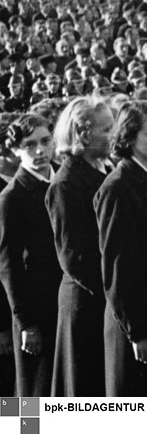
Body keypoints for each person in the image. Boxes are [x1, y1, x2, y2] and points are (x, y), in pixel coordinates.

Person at [95, 100, 147, 395]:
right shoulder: (117, 187)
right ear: (129, 138)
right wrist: (137, 331)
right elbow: (118, 267)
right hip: (137, 318)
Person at [46, 96, 114, 396]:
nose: (115, 134)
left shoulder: (103, 171)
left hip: (104, 297)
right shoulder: (66, 184)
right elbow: (74, 257)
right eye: (108, 129)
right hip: (87, 299)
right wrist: (114, 290)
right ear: (85, 135)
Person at [0, 114, 62, 395]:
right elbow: (8, 264)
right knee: (32, 391)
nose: (40, 151)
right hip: (36, 307)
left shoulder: (64, 179)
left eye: (45, 141)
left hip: (65, 300)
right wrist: (25, 322)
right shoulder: (12, 197)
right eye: (30, 144)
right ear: (15, 150)